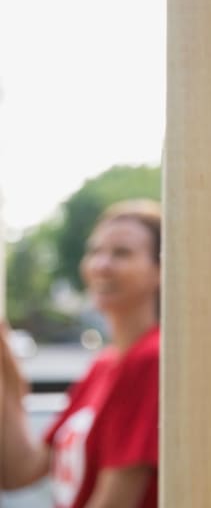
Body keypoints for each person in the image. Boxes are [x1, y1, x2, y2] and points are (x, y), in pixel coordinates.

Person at [0, 199, 162, 508]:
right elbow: (19, 470)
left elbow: (115, 502)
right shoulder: (104, 364)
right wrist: (5, 358)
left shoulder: (152, 359)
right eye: (95, 252)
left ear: (161, 269)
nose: (101, 265)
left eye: (121, 253)